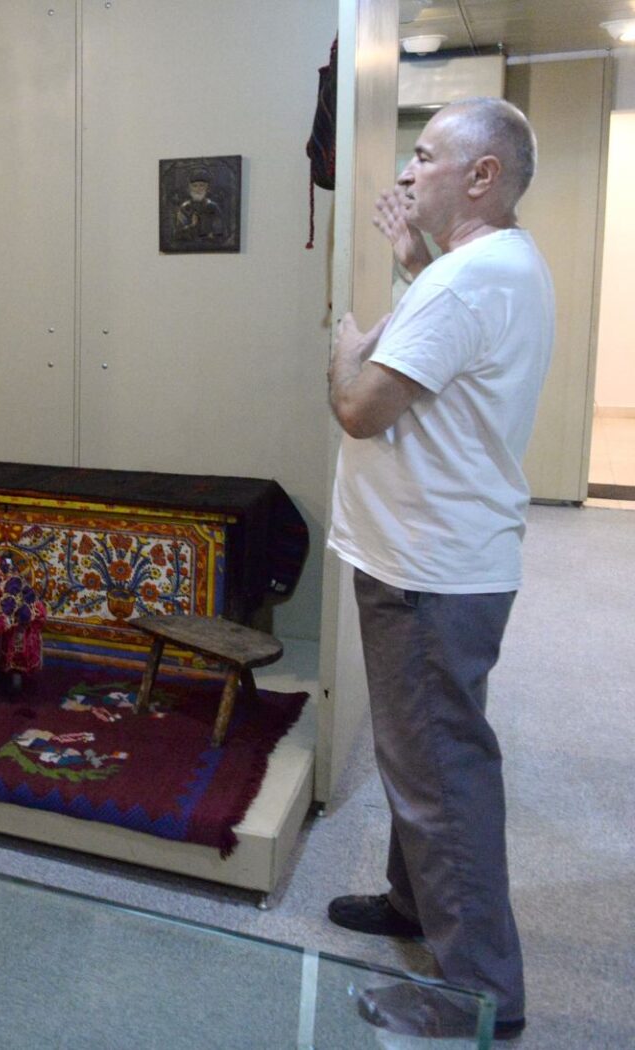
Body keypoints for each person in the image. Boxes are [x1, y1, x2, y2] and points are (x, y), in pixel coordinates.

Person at [325, 98, 552, 1043]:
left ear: (483, 176)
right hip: (447, 559)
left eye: (426, 155)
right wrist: (413, 263)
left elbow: (361, 409)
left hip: (429, 570)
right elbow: (449, 343)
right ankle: (412, 902)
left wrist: (346, 350)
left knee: (441, 775)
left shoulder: (466, 282)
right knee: (420, 752)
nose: (408, 170)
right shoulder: (495, 265)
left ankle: (478, 993)